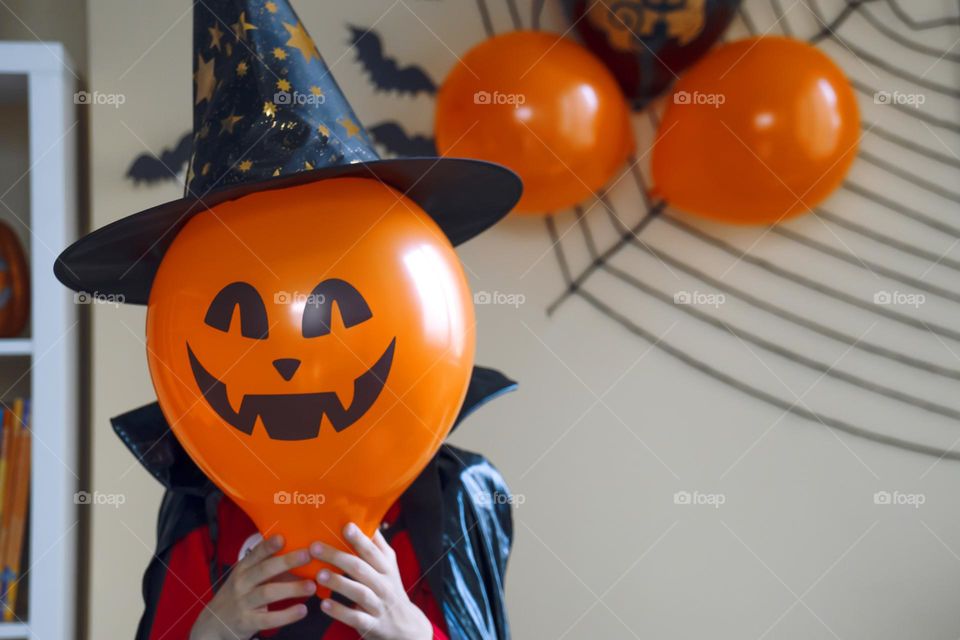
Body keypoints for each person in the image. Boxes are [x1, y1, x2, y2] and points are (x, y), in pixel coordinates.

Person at [113, 368, 517, 640]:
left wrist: (413, 633)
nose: (292, 367)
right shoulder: (205, 506)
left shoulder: (448, 494)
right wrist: (211, 633)